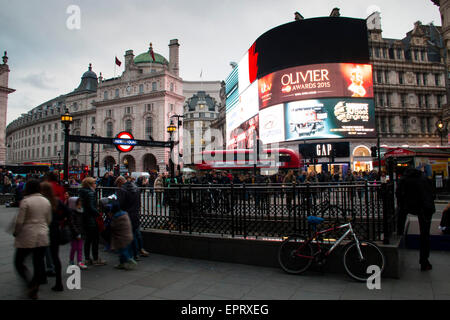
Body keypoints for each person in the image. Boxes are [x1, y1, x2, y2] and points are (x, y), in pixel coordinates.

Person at [13, 179, 52, 299]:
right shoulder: (46, 201)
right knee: (38, 261)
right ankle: (35, 285)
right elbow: (48, 219)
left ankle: (30, 283)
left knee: (19, 262)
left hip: (28, 236)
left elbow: (19, 221)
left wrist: (16, 232)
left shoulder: (26, 201)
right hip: (42, 235)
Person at [396, 166, 435, 271]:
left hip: (410, 205)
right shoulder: (424, 178)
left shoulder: (404, 179)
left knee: (401, 213)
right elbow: (432, 192)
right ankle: (424, 261)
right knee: (425, 235)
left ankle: (399, 231)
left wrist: (402, 205)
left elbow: (398, 194)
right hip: (426, 207)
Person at [40, 181, 72, 292]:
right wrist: (60, 220)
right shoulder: (56, 201)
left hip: (43, 231)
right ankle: (59, 283)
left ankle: (42, 278)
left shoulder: (42, 202)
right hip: (55, 231)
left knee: (41, 255)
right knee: (55, 257)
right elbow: (68, 212)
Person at [116, 176, 149, 261]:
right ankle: (138, 251)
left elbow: (121, 204)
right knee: (136, 233)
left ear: (120, 183)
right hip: (135, 213)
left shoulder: (122, 190)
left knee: (131, 235)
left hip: (126, 214)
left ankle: (133, 255)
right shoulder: (136, 188)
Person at [79, 177, 107, 266]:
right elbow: (91, 207)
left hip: (84, 218)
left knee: (87, 239)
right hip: (91, 219)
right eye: (94, 183)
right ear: (90, 184)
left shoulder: (82, 192)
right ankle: (95, 259)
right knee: (95, 239)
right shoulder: (90, 193)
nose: (96, 185)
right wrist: (98, 213)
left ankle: (87, 258)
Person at [107, 200, 136, 270]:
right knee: (126, 250)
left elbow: (112, 226)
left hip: (122, 238)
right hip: (129, 236)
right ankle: (122, 263)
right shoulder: (124, 214)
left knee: (122, 251)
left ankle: (129, 260)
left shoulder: (116, 217)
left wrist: (110, 218)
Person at [68, 197, 88, 269]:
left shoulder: (80, 212)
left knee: (79, 248)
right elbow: (72, 224)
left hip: (79, 232)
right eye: (78, 203)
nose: (80, 205)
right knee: (74, 248)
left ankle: (78, 261)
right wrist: (77, 233)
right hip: (75, 233)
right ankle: (72, 261)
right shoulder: (73, 213)